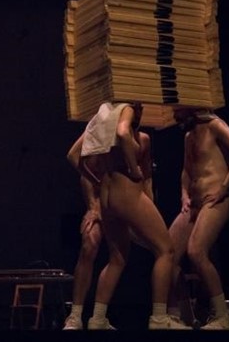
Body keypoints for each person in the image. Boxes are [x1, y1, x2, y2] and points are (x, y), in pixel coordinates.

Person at [80, 101, 189, 330]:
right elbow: (122, 132)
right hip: (127, 192)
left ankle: (97, 319)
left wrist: (97, 182)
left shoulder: (104, 122)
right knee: (166, 250)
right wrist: (132, 168)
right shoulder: (125, 109)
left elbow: (75, 156)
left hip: (108, 197)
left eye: (140, 108)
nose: (139, 111)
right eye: (137, 106)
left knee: (117, 258)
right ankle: (159, 318)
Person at [167, 107, 229, 330]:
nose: (174, 116)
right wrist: (184, 194)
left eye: (177, 110)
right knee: (166, 255)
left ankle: (223, 317)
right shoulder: (188, 136)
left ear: (191, 107)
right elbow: (187, 171)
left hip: (216, 200)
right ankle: (187, 318)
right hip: (194, 204)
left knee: (196, 251)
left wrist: (224, 187)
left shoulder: (214, 125)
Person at [61, 137, 104, 330]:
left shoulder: (130, 133)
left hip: (122, 198)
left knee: (160, 247)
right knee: (89, 242)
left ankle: (100, 316)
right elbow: (76, 159)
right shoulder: (97, 128)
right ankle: (75, 315)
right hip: (99, 199)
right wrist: (93, 206)